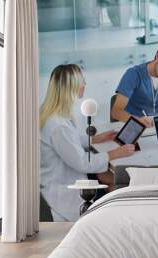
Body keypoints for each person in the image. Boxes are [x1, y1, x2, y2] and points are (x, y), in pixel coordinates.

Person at [40, 64, 135, 222]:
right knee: (120, 185)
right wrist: (115, 153)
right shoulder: (58, 125)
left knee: (107, 175)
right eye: (82, 81)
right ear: (71, 86)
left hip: (64, 176)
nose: (85, 84)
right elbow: (82, 162)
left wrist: (95, 139)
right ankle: (114, 223)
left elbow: (70, 141)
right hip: (67, 193)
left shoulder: (52, 114)